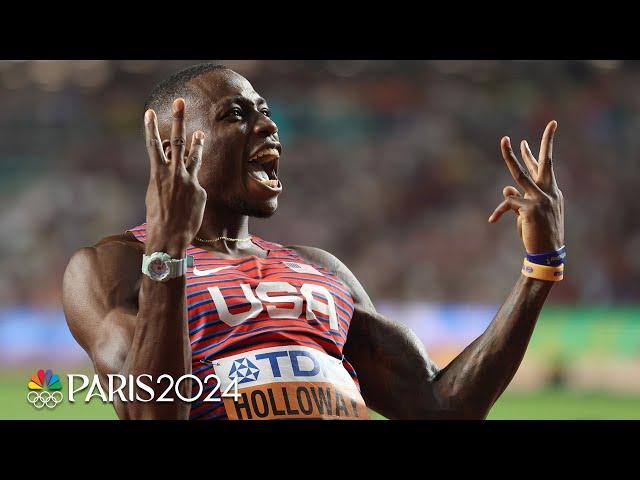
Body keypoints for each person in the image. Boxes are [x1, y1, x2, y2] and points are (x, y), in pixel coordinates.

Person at [62, 63, 565, 420]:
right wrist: (168, 252)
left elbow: (440, 407)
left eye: (265, 110)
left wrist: (539, 268)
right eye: (236, 115)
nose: (268, 125)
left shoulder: (319, 267)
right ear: (174, 149)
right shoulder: (113, 266)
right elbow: (151, 412)